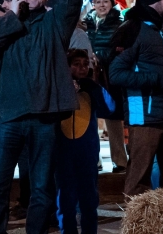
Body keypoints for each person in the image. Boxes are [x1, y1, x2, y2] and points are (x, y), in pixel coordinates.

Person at [0, 0, 81, 234]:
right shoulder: (6, 24)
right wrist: (12, 16)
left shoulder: (55, 23)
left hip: (43, 119)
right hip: (8, 118)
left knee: (41, 189)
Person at [108, 0, 163, 196]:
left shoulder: (162, 28)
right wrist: (157, 80)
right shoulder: (131, 29)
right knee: (139, 181)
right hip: (145, 117)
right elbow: (116, 73)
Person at [55, 50, 116, 234]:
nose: (82, 68)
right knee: (65, 198)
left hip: (87, 151)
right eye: (76, 64)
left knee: (89, 198)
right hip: (63, 151)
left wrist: (95, 86)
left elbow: (110, 108)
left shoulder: (91, 88)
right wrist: (67, 89)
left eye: (84, 64)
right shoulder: (59, 87)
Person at [83, 0, 126, 173]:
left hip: (110, 75)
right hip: (91, 74)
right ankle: (94, 159)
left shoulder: (120, 24)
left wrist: (101, 57)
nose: (101, 5)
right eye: (98, 2)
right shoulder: (88, 23)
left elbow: (119, 49)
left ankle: (120, 160)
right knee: (91, 117)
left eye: (105, 1)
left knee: (113, 117)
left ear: (112, 3)